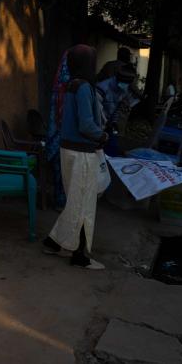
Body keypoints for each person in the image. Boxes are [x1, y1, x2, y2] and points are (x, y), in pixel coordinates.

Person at [42, 44, 108, 270]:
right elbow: (87, 124)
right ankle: (78, 254)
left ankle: (57, 244)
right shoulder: (84, 88)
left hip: (67, 150)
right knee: (83, 205)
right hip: (82, 154)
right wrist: (103, 135)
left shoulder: (70, 85)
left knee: (75, 202)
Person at [45, 50, 71, 211]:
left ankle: (61, 200)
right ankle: (60, 201)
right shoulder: (67, 87)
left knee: (61, 169)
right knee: (60, 168)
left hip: (60, 134)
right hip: (61, 135)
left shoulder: (61, 86)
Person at [96, 62, 140, 156]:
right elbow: (96, 111)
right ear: (118, 78)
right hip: (98, 124)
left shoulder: (124, 89)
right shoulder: (102, 88)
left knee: (112, 148)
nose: (125, 85)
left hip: (109, 123)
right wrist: (103, 126)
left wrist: (114, 122)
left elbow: (117, 107)